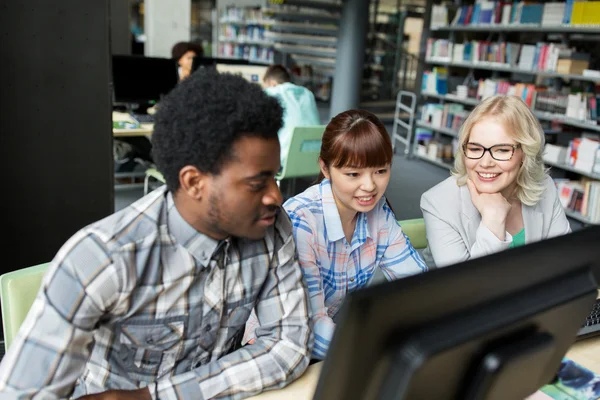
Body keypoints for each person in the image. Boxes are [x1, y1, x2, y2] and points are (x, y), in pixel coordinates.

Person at [0, 69, 312, 399]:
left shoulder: (272, 228)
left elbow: (287, 346)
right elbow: (23, 394)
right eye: (256, 183)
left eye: (274, 178)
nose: (276, 197)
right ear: (194, 183)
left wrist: (153, 396)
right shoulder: (105, 259)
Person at [244, 109, 428, 360]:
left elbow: (417, 283)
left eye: (381, 171)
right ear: (326, 168)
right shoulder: (301, 221)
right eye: (354, 174)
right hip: (267, 347)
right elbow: (310, 324)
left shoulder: (378, 212)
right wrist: (377, 350)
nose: (370, 186)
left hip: (321, 346)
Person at [420, 95, 571, 268]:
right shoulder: (439, 202)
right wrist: (493, 220)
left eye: (501, 150)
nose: (485, 163)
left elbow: (563, 263)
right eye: (475, 148)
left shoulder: (545, 187)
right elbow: (464, 289)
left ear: (526, 154)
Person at [263, 64, 321, 168]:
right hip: (314, 161)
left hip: (286, 163)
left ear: (272, 84)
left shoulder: (272, 93)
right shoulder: (308, 94)